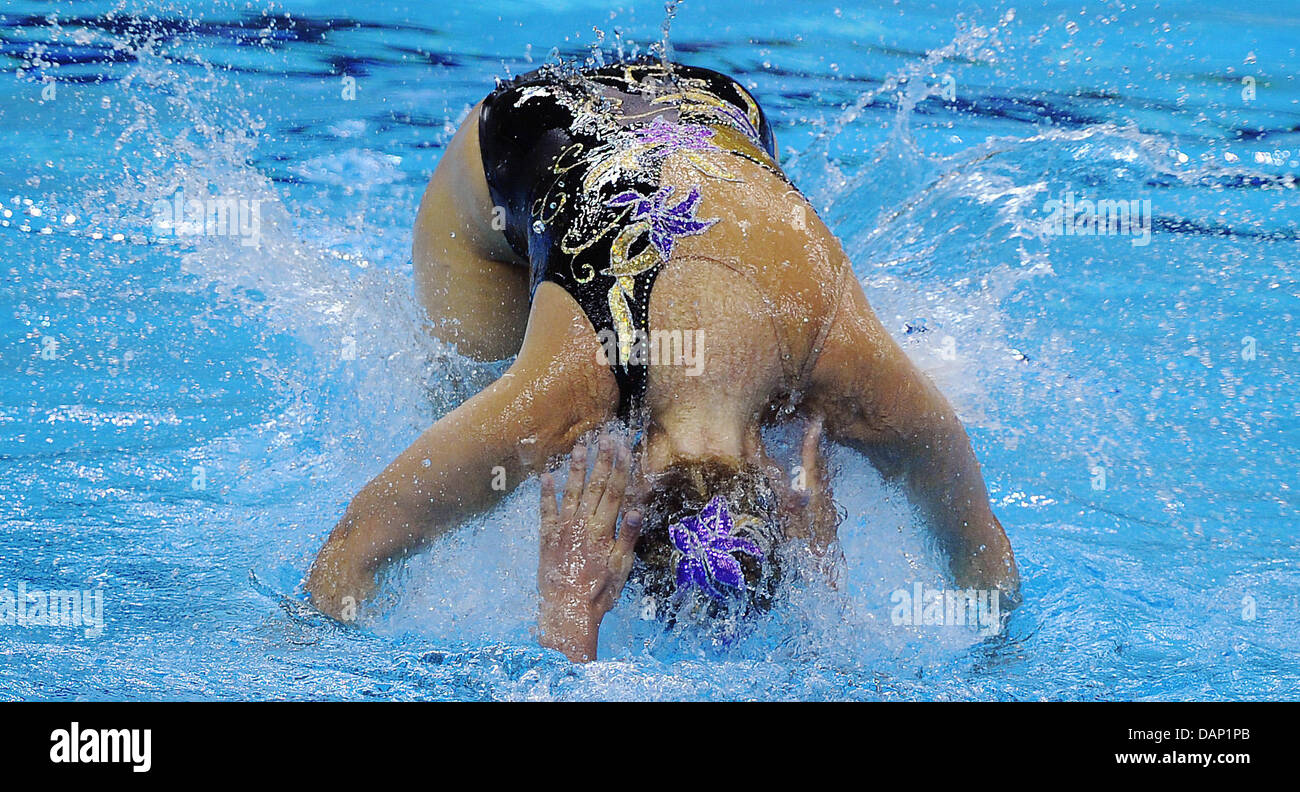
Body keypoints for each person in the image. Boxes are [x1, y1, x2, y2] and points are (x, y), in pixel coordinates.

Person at [304, 59, 1019, 660]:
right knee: (461, 393)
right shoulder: (563, 397)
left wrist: (819, 573)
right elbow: (346, 558)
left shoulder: (858, 379)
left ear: (774, 473)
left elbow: (987, 567)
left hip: (720, 107)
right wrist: (566, 620)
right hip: (530, 130)